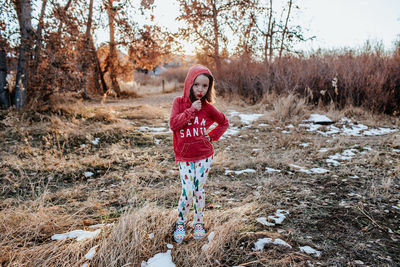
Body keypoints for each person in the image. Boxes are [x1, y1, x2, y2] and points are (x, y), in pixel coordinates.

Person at [169, 64, 229, 243]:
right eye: (197, 85)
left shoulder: (208, 107)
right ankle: (180, 222)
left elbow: (224, 122)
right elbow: (174, 125)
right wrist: (191, 110)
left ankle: (198, 223)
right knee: (187, 191)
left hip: (204, 155)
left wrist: (211, 137)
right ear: (189, 83)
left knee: (198, 190)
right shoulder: (178, 103)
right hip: (185, 156)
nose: (200, 89)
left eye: (205, 86)